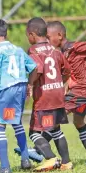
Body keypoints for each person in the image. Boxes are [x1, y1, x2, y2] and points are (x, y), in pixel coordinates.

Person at [0, 17, 37, 173]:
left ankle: (4, 167)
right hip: (20, 88)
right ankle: (25, 159)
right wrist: (30, 84)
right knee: (16, 122)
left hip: (6, 90)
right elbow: (34, 67)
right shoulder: (17, 49)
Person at [25, 17, 72, 171]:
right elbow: (67, 71)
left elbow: (37, 68)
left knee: (34, 132)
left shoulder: (32, 50)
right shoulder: (55, 50)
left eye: (28, 36)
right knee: (55, 130)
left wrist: (30, 83)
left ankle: (50, 158)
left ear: (32, 35)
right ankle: (66, 163)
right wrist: (60, 83)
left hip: (44, 98)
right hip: (58, 94)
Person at [46, 21, 86, 150]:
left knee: (55, 116)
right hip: (79, 92)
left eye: (48, 37)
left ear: (59, 35)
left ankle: (37, 150)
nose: (47, 41)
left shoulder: (75, 47)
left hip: (80, 92)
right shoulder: (62, 53)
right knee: (78, 122)